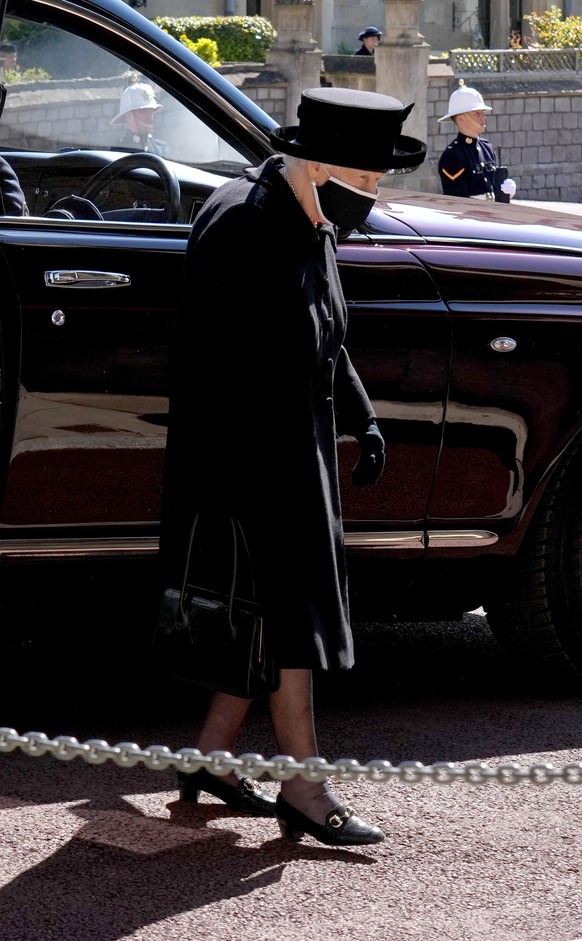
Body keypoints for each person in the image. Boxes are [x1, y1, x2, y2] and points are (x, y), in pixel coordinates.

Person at [159, 86, 426, 848]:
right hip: (251, 463)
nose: (372, 196)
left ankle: (209, 757)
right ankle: (305, 788)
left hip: (292, 449)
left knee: (267, 620)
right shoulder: (244, 224)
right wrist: (253, 481)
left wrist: (362, 414)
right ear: (318, 163)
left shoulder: (305, 209)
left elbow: (326, 336)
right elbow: (216, 369)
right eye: (367, 180)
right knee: (290, 626)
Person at [437, 80, 517, 202]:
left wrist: (504, 192)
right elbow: (458, 202)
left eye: (483, 113)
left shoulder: (487, 147)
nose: (483, 117)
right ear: (461, 118)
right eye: (477, 113)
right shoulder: (453, 155)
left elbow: (491, 187)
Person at [110, 81, 170, 157]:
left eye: (152, 109)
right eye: (143, 110)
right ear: (128, 115)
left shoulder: (162, 150)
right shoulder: (117, 152)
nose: (149, 115)